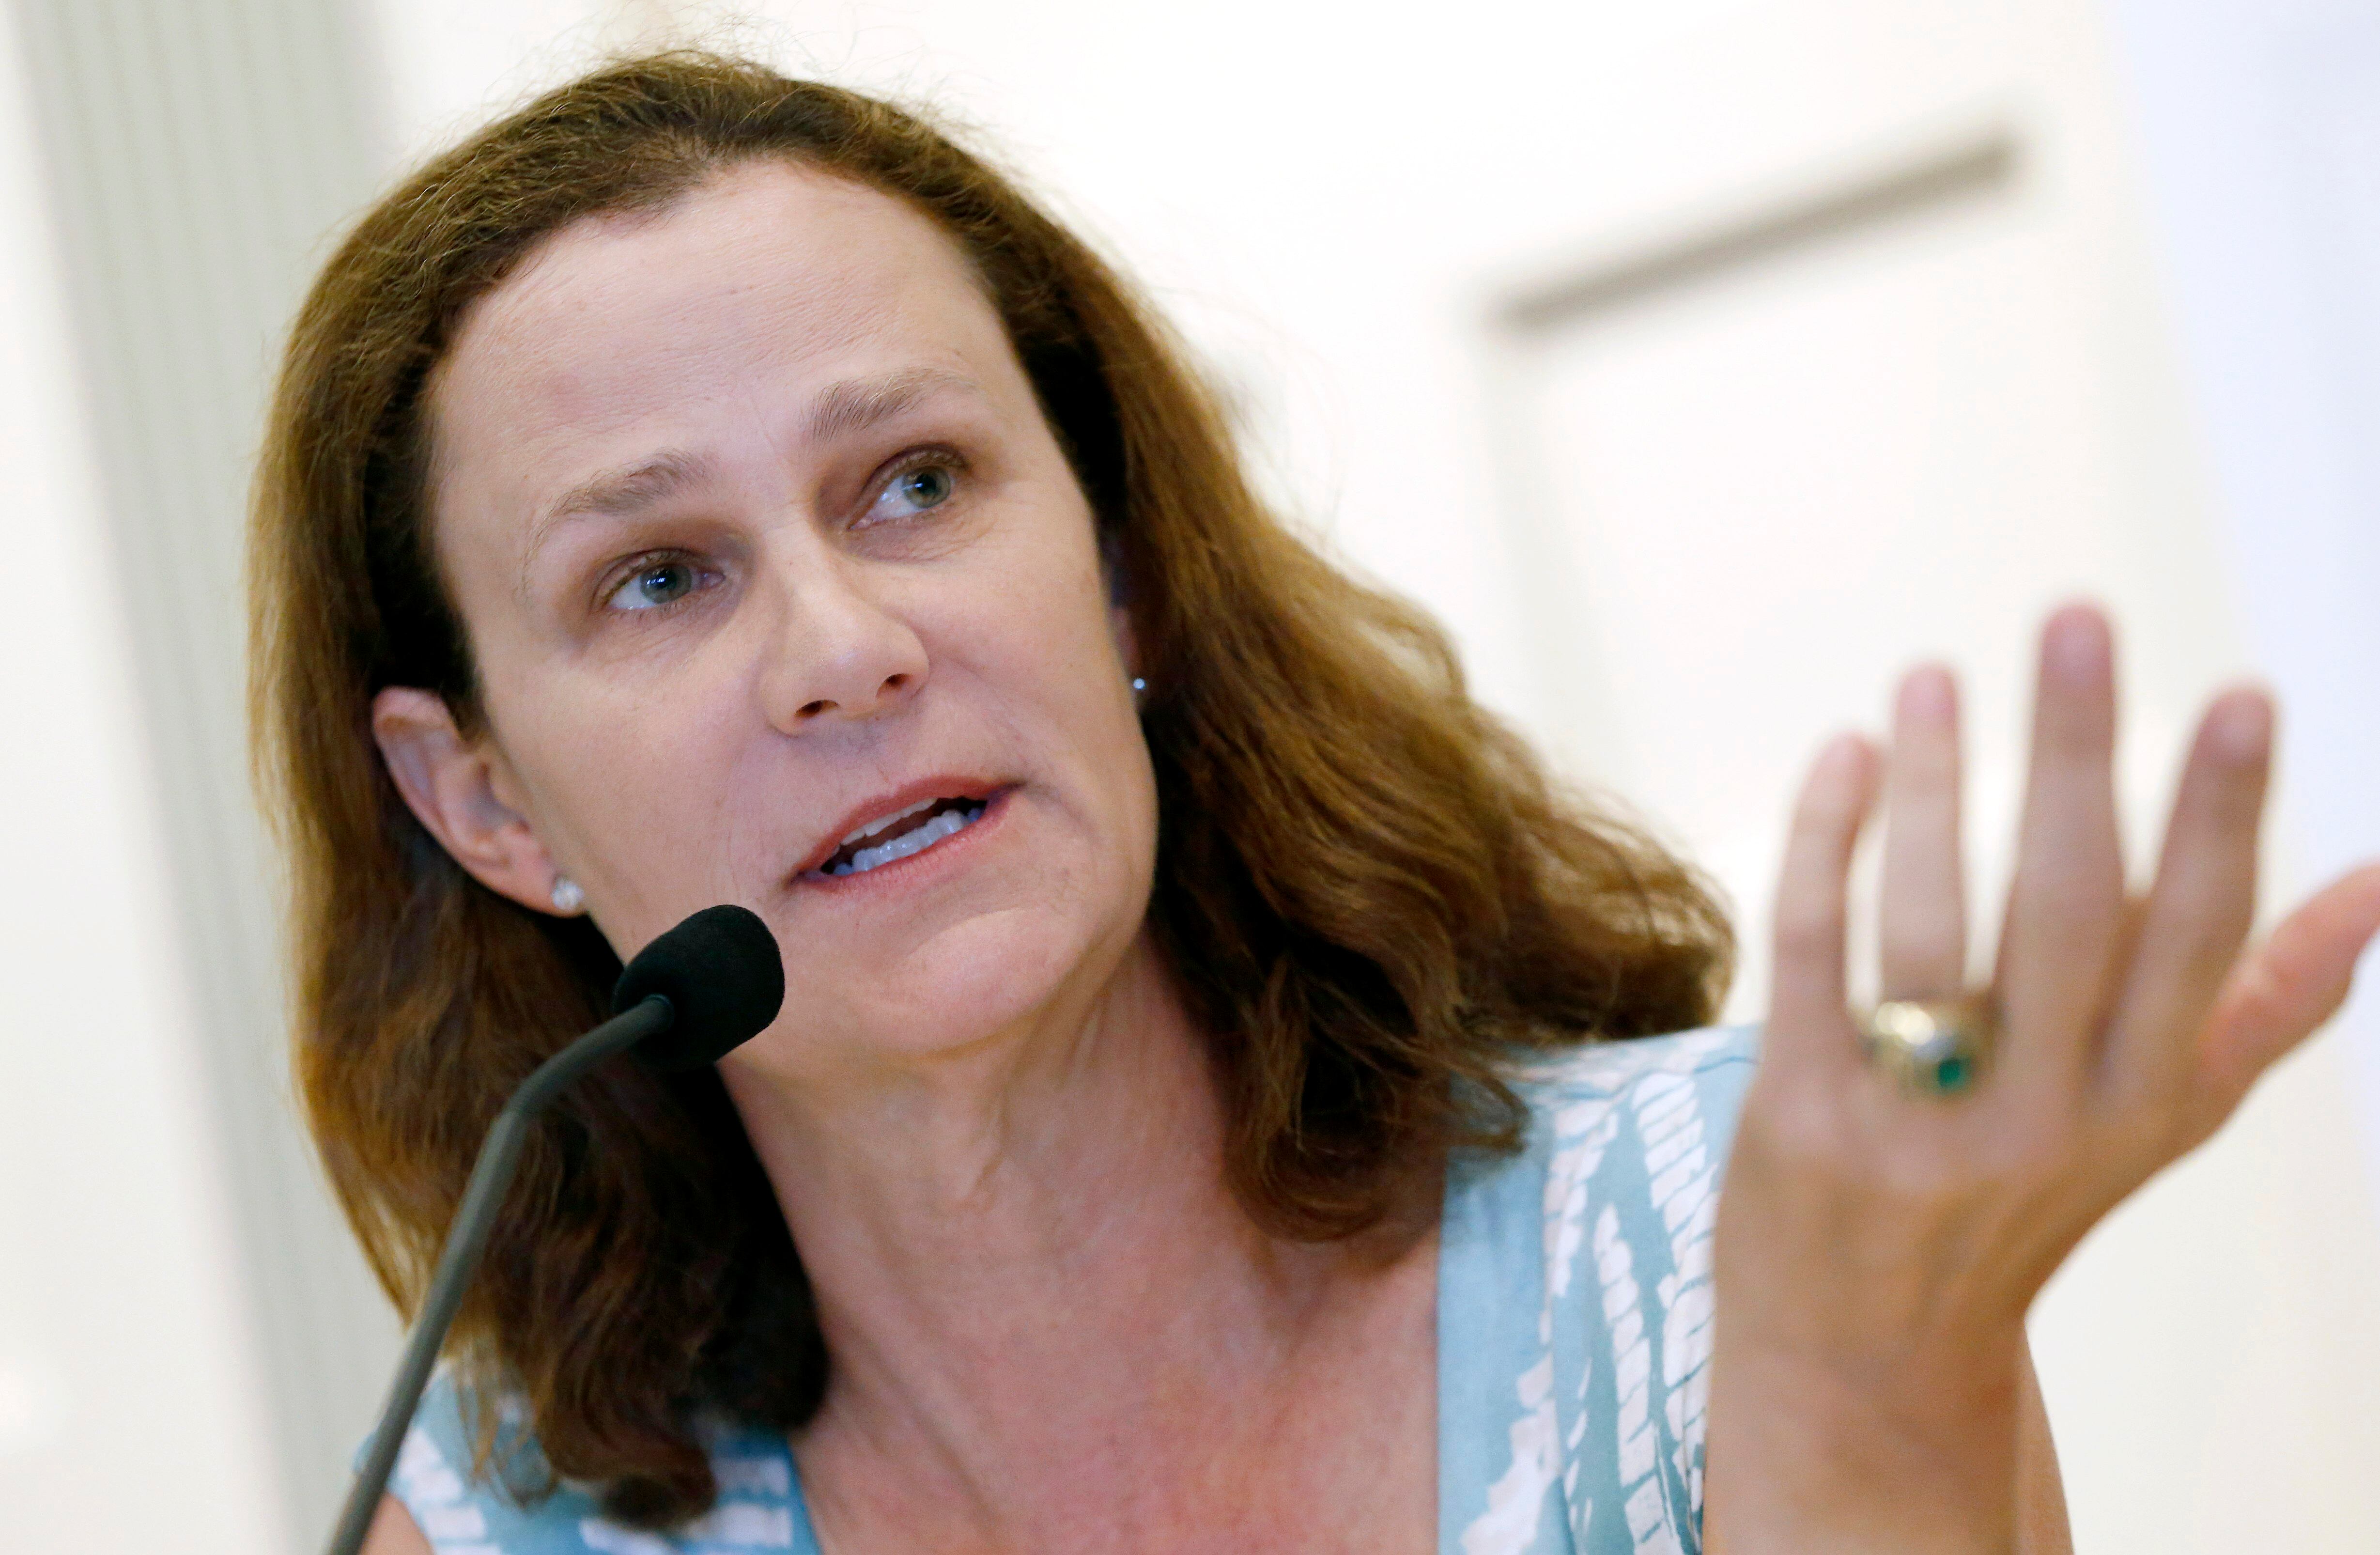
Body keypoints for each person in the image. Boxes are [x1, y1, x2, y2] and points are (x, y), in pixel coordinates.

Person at [249, 52, 2380, 1555]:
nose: (842, 643)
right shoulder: (497, 1526)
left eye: (914, 480)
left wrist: (1864, 1385)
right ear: (484, 801)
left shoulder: (1744, 1236)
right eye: (656, 577)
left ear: (1119, 566)